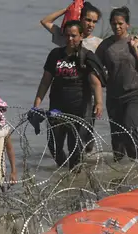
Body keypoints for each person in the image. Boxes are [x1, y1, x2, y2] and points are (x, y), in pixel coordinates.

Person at [32, 20, 105, 171]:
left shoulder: (86, 57)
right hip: (57, 108)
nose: (70, 39)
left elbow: (96, 83)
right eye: (67, 36)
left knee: (75, 149)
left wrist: (98, 102)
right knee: (54, 146)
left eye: (74, 36)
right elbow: (45, 82)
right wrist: (36, 105)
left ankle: (75, 177)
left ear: (81, 36)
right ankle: (65, 176)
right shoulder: (55, 55)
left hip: (80, 110)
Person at [95, 7, 138, 163]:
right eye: (113, 24)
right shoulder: (105, 46)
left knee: (129, 127)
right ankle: (119, 169)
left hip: (136, 94)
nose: (117, 27)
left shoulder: (136, 42)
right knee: (117, 137)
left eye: (120, 23)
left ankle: (136, 163)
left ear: (127, 25)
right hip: (114, 97)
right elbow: (95, 69)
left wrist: (134, 49)